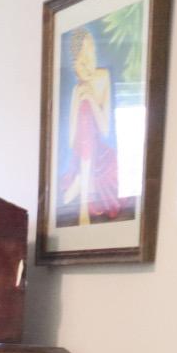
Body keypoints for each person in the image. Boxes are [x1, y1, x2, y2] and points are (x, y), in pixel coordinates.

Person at [59, 28, 126, 225]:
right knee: (65, 199)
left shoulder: (102, 77)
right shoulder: (77, 88)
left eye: (91, 55)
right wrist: (80, 99)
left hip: (101, 160)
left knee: (87, 108)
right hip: (82, 157)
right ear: (75, 66)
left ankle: (83, 204)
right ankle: (82, 184)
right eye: (82, 62)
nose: (88, 65)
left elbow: (105, 129)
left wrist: (91, 99)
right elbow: (72, 137)